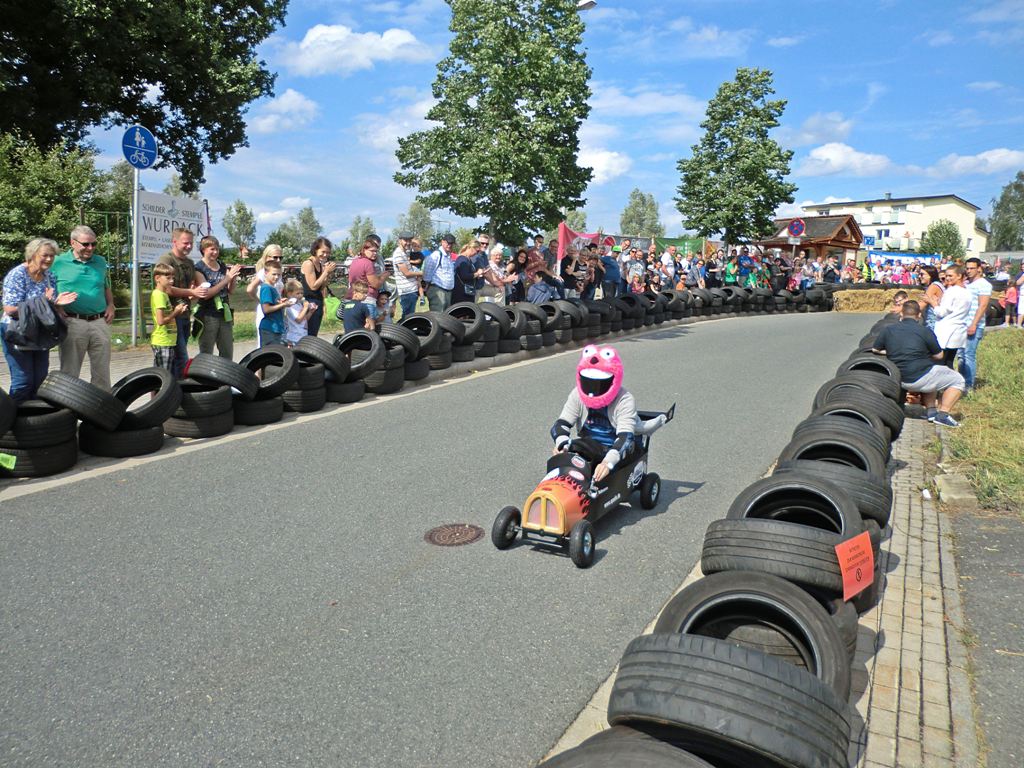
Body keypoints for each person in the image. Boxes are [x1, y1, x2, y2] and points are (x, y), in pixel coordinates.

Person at [550, 345, 646, 483]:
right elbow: (560, 425)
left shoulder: (625, 400)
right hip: (591, 446)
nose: (593, 389)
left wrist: (608, 463)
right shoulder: (577, 394)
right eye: (588, 383)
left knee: (598, 471)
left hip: (620, 449)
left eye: (599, 384)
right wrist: (562, 444)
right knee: (569, 453)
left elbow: (625, 439)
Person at [2, 238, 77, 402]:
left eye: (52, 256)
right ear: (32, 254)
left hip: (40, 330)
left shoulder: (49, 276)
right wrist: (45, 301)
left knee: (40, 380)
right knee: (23, 381)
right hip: (16, 330)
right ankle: (12, 416)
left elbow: (48, 306)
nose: (49, 259)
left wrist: (57, 304)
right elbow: (10, 310)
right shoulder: (17, 275)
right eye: (45, 255)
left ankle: (35, 416)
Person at [872, 301, 964, 427]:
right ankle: (943, 415)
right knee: (958, 380)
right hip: (919, 377)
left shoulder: (888, 330)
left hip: (897, 378)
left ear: (901, 314)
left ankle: (931, 412)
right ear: (919, 315)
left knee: (932, 371)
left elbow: (875, 349)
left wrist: (893, 352)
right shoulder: (925, 331)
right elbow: (939, 355)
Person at [51, 225, 116, 390]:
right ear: (72, 243)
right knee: (70, 372)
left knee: (102, 373)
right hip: (73, 321)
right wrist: (56, 305)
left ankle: (101, 404)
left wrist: (111, 305)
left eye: (94, 244)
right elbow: (46, 288)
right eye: (86, 244)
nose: (90, 248)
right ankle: (66, 404)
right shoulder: (57, 262)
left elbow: (105, 286)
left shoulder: (100, 261)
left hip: (100, 321)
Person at [156, 228, 207, 378]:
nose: (189, 246)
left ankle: (175, 387)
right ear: (175, 242)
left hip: (185, 314)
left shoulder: (190, 263)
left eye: (191, 243)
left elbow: (189, 286)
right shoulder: (166, 260)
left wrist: (194, 292)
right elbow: (167, 289)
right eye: (185, 243)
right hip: (171, 316)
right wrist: (192, 292)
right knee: (181, 357)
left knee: (178, 357)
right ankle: (177, 387)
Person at [193, 235, 242, 359]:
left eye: (217, 249)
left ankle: (226, 371)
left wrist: (233, 277)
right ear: (203, 250)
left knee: (227, 351)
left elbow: (230, 291)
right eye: (212, 249)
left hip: (224, 313)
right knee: (206, 352)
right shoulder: (198, 268)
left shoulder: (221, 265)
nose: (215, 252)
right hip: (208, 314)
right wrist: (227, 278)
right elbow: (206, 294)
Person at [925, 264, 971, 368]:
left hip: (946, 332)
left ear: (959, 276)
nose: (947, 278)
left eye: (950, 276)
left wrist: (933, 303)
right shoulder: (967, 292)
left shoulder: (951, 291)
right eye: (946, 276)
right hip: (958, 331)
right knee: (949, 362)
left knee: (939, 363)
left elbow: (941, 312)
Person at [958, 257, 992, 390]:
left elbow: (982, 306)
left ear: (979, 269)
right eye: (967, 268)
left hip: (974, 325)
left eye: (972, 268)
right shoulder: (966, 283)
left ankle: (968, 385)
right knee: (960, 355)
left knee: (969, 355)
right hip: (962, 324)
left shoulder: (984, 284)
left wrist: (974, 324)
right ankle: (960, 383)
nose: (969, 271)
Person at [150, 263, 188, 371]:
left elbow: (168, 316)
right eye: (168, 278)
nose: (171, 281)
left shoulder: (163, 294)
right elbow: (160, 321)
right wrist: (176, 312)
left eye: (173, 278)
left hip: (168, 341)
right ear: (157, 278)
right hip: (162, 341)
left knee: (166, 373)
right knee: (163, 375)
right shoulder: (159, 295)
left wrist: (179, 311)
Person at [300, 237, 337, 338]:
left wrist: (327, 274)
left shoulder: (319, 264)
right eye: (323, 252)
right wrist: (325, 272)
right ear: (315, 249)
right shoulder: (308, 263)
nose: (325, 255)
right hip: (309, 301)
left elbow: (321, 287)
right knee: (308, 333)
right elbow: (313, 286)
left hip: (318, 300)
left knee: (314, 333)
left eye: (328, 252)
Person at [247, 244, 283, 344]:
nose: (278, 260)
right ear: (267, 257)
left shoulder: (277, 271)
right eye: (275, 257)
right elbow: (250, 289)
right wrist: (260, 300)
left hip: (276, 310)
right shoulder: (264, 272)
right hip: (267, 310)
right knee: (266, 343)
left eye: (280, 257)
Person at [390, 232, 423, 320]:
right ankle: (398, 329)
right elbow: (407, 273)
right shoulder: (398, 254)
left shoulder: (405, 252)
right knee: (407, 318)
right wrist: (421, 273)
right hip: (407, 291)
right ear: (399, 241)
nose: (408, 243)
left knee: (409, 317)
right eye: (405, 240)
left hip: (411, 290)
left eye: (409, 240)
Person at [257, 262, 290, 346]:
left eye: (279, 275)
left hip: (276, 327)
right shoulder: (266, 288)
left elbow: (273, 304)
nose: (276, 277)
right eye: (274, 274)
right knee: (270, 352)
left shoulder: (272, 287)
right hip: (270, 328)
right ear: (266, 273)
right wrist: (283, 305)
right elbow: (266, 309)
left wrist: (280, 302)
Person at [422, 233, 457, 311]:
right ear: (442, 242)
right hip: (437, 289)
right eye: (448, 243)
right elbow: (427, 273)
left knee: (446, 314)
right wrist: (426, 285)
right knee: (438, 314)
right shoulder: (436, 255)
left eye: (451, 243)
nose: (449, 245)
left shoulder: (449, 256)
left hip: (447, 290)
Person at [283, 279, 317, 345]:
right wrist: (305, 307)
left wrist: (310, 312)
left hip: (302, 335)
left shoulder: (299, 304)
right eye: (297, 293)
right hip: (295, 337)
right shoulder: (291, 306)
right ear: (289, 294)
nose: (300, 295)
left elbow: (304, 320)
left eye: (301, 293)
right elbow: (298, 320)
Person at [917, 266, 943, 330]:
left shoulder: (934, 286)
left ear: (930, 275)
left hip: (934, 322)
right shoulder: (935, 285)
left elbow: (922, 304)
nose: (919, 276)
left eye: (922, 274)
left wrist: (905, 309)